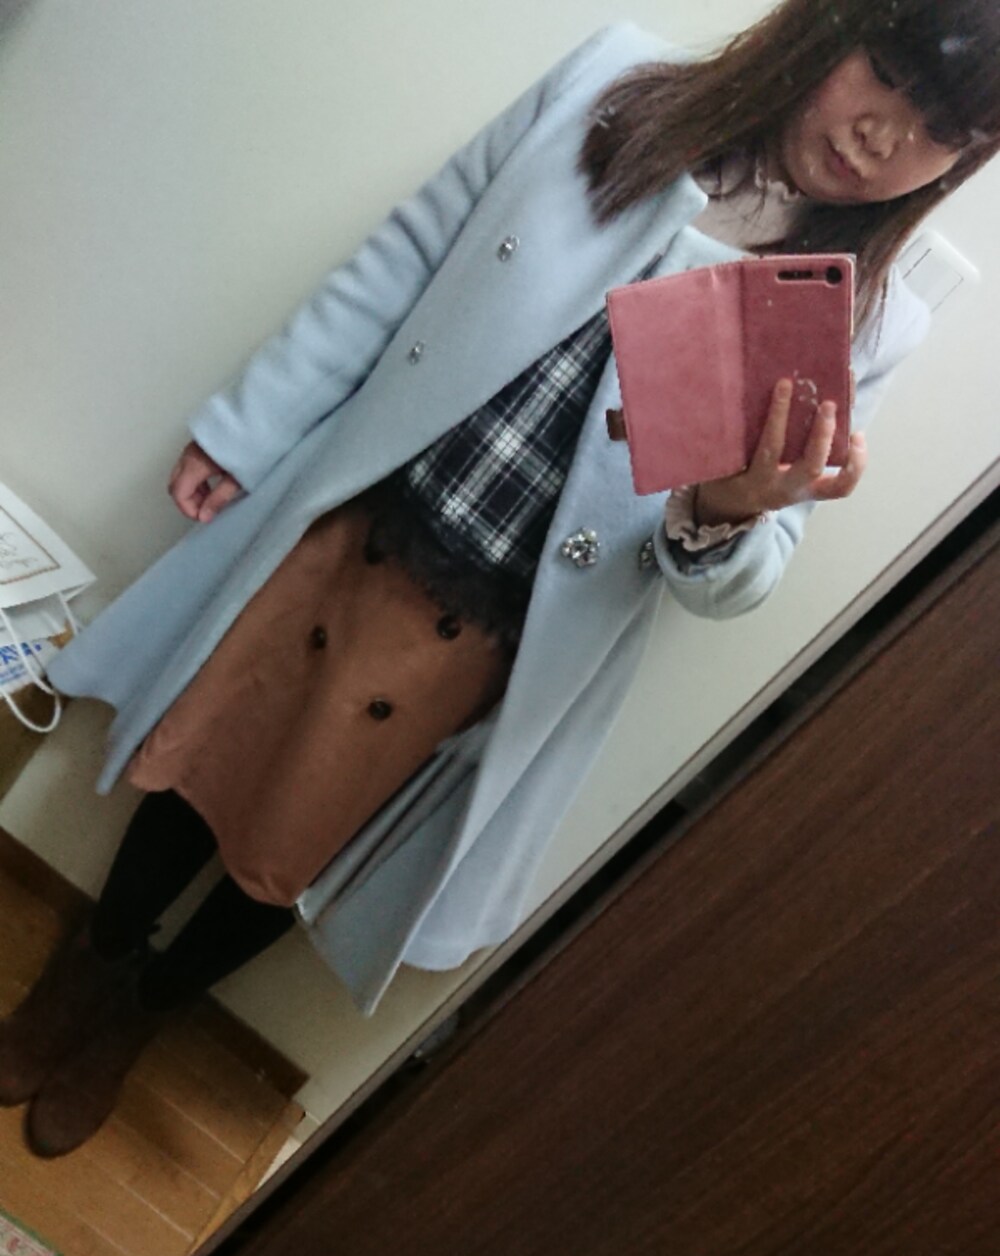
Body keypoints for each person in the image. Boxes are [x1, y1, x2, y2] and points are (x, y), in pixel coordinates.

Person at [2, 0, 998, 1157]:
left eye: (939, 130)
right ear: (827, 25)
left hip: (495, 634)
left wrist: (731, 510)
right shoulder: (618, 87)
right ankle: (86, 970)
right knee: (201, 758)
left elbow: (748, 576)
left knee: (298, 848)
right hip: (363, 522)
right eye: (886, 74)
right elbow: (412, 252)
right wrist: (250, 423)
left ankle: (140, 1013)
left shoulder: (860, 315)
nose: (884, 136)